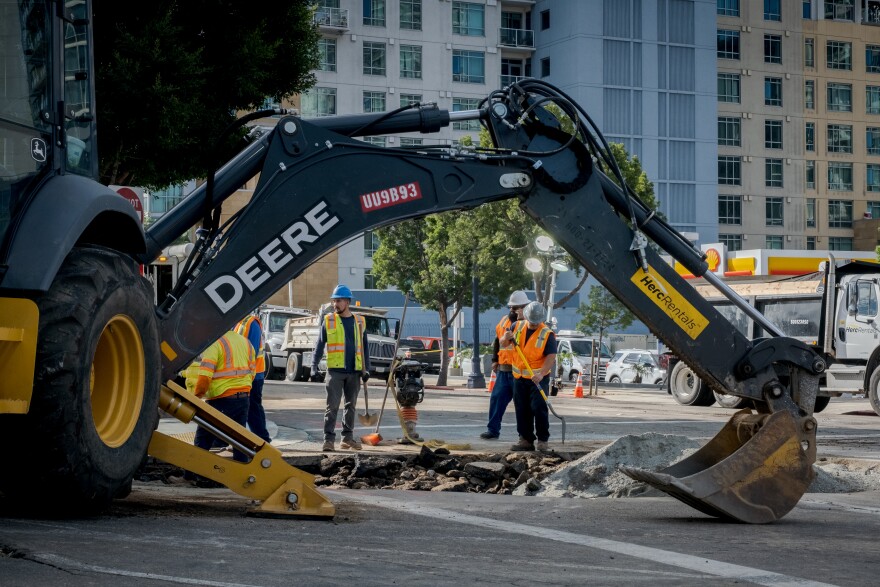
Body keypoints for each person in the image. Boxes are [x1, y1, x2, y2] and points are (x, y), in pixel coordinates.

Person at [311, 284, 371, 452]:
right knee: (333, 406)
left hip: (355, 371)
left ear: (347, 302)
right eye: (334, 301)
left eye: (338, 301)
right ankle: (328, 440)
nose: (335, 304)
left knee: (350, 406)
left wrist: (367, 370)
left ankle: (347, 438)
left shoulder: (360, 321)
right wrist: (313, 366)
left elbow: (365, 347)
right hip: (335, 371)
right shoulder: (329, 320)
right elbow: (319, 344)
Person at [187, 330, 256, 463]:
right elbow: (252, 372)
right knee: (239, 440)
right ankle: (240, 477)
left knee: (203, 438)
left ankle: (191, 476)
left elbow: (205, 377)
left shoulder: (215, 342)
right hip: (243, 397)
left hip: (222, 399)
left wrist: (196, 397)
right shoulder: (246, 343)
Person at [501, 301, 557, 453]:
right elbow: (504, 344)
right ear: (526, 317)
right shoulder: (516, 327)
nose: (532, 325)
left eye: (535, 322)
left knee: (538, 408)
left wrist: (542, 373)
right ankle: (525, 440)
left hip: (538, 378)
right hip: (519, 377)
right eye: (531, 322)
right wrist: (505, 338)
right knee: (522, 409)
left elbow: (551, 357)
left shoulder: (547, 334)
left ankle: (543, 441)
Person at [480, 290, 530, 440]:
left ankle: (524, 435)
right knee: (496, 399)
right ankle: (493, 430)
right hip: (503, 370)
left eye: (515, 308)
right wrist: (495, 359)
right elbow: (497, 341)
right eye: (510, 307)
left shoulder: (529, 324)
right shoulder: (503, 322)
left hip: (518, 372)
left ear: (524, 307)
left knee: (521, 405)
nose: (512, 310)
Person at [235, 311, 272, 443]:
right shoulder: (238, 323)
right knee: (247, 408)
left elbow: (252, 352)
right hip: (244, 374)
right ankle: (256, 439)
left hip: (253, 375)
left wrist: (246, 375)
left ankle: (262, 439)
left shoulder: (251, 323)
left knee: (252, 408)